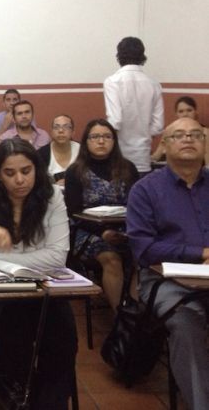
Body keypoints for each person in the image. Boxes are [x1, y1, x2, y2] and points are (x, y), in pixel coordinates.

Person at [0, 138, 75, 409]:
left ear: (37, 170)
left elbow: (57, 257)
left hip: (43, 292)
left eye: (26, 171)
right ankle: (8, 396)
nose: (20, 180)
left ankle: (46, 402)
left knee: (63, 332)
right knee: (14, 324)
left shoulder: (52, 197)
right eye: (10, 173)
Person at [127, 117, 209, 410]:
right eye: (179, 135)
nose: (188, 139)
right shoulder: (145, 190)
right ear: (163, 145)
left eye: (196, 134)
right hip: (165, 280)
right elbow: (144, 249)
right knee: (187, 323)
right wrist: (199, 253)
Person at [64, 119, 139, 311]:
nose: (101, 141)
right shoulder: (75, 172)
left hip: (126, 229)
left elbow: (138, 207)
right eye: (95, 137)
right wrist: (103, 232)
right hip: (88, 231)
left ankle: (134, 314)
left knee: (138, 258)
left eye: (107, 136)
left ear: (114, 141)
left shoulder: (128, 169)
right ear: (86, 141)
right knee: (111, 258)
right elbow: (73, 212)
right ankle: (120, 320)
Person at [103, 36, 164, 174]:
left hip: (120, 159)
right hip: (144, 158)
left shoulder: (112, 81)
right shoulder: (154, 84)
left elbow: (115, 121)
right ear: (142, 55)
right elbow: (158, 126)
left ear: (119, 56)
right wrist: (144, 135)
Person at [151, 96, 209, 165]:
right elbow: (156, 156)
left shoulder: (204, 132)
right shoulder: (169, 131)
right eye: (181, 111)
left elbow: (208, 163)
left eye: (189, 110)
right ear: (176, 114)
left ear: (195, 112)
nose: (185, 114)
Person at [37, 114, 80, 186]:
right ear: (51, 132)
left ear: (73, 132)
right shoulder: (41, 154)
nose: (60, 130)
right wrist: (54, 186)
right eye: (56, 127)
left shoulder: (82, 150)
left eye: (66, 127)